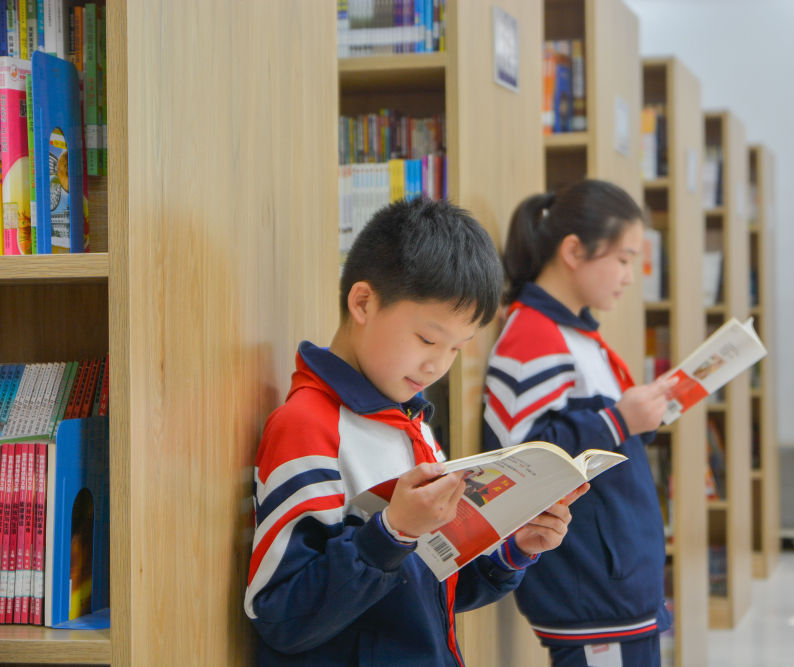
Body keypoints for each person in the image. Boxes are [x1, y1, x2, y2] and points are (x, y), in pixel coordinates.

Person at [244, 197, 586, 666]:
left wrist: (511, 551)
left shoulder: (411, 426)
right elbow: (283, 617)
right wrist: (392, 532)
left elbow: (421, 594)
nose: (437, 366)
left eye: (456, 349)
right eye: (427, 339)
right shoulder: (308, 426)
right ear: (363, 302)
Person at [482, 179, 675, 667]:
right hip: (591, 590)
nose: (630, 276)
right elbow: (519, 460)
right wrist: (617, 420)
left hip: (615, 586)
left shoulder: (577, 333)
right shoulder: (533, 335)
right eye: (625, 258)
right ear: (573, 250)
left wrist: (636, 418)